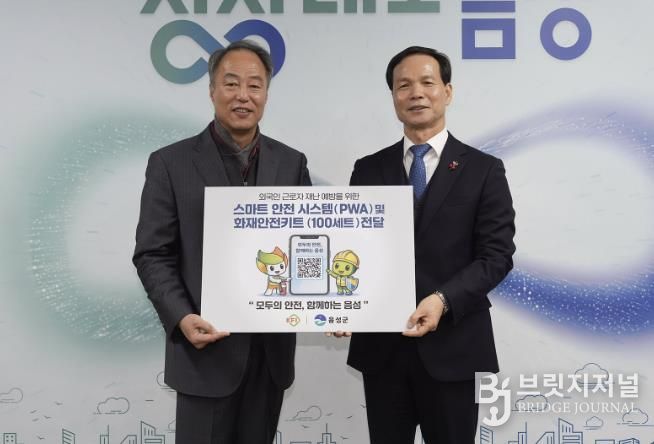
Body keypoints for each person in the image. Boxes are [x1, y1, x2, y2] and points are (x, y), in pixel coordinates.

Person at [132, 40, 311, 444]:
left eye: (254, 85)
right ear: (212, 90)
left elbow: (304, 244)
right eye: (231, 84)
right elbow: (152, 254)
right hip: (204, 352)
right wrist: (181, 316)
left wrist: (333, 304)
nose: (243, 95)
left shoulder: (291, 162)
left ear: (266, 94)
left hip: (269, 358)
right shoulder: (170, 163)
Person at [344, 46, 516, 443]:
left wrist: (442, 300)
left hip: (455, 347)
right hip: (383, 352)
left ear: (447, 92)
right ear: (393, 97)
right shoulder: (368, 169)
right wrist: (342, 303)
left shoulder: (483, 169)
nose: (416, 93)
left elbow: (496, 256)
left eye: (427, 82)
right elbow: (353, 251)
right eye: (404, 85)